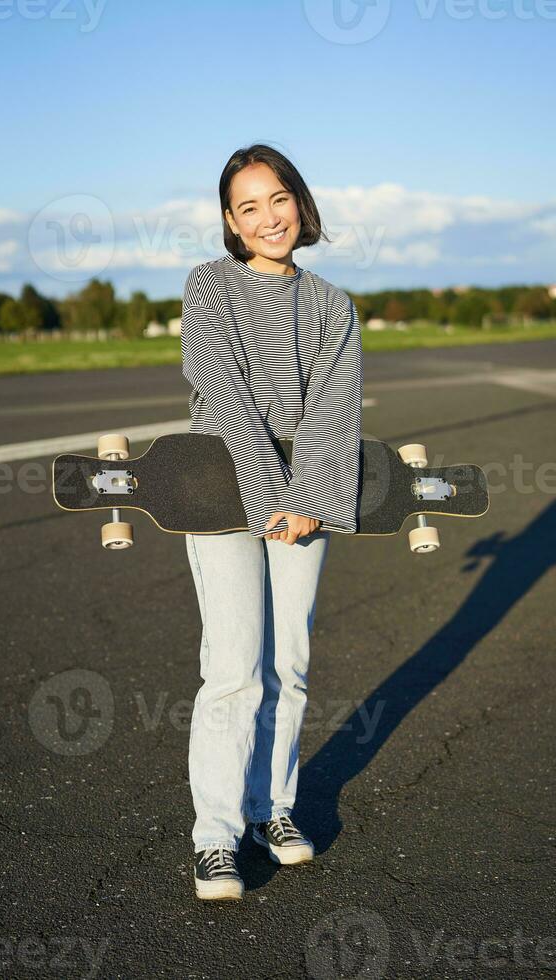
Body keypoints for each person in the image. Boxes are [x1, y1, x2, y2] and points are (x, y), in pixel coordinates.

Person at [181, 143, 364, 901]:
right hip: (221, 487)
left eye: (278, 199)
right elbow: (223, 394)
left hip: (307, 498)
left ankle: (273, 811)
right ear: (230, 220)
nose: (267, 218)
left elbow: (331, 414)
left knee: (288, 663)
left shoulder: (332, 305)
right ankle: (216, 837)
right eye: (248, 206)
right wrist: (268, 502)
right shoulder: (208, 287)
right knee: (233, 667)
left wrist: (309, 498)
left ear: (300, 202)